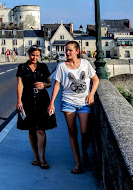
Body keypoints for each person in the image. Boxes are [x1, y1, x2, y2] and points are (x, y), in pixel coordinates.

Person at [48, 41, 99, 174]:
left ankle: (84, 153)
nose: (67, 52)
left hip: (83, 103)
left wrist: (92, 94)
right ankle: (78, 163)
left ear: (77, 51)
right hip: (68, 102)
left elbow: (96, 80)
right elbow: (57, 85)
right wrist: (52, 103)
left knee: (84, 132)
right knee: (72, 132)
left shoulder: (85, 64)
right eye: (66, 50)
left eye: (70, 50)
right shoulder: (61, 67)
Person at [16, 45, 56, 169]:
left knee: (41, 130)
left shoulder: (43, 67)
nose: (35, 57)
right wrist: (19, 101)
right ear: (29, 54)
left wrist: (44, 85)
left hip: (42, 100)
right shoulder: (22, 67)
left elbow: (49, 83)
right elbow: (20, 85)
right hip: (27, 100)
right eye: (33, 55)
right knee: (31, 129)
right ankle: (35, 156)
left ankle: (43, 157)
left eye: (37, 56)